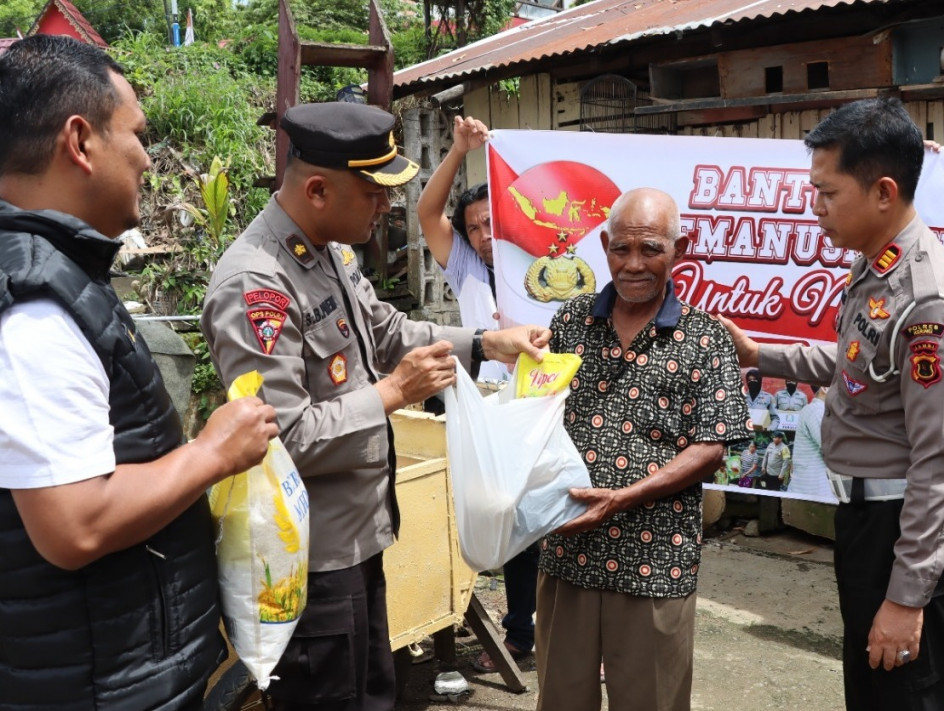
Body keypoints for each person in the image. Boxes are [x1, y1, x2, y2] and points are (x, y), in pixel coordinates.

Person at [201, 101, 550, 711]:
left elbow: (387, 331)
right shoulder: (257, 285)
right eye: (372, 193)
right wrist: (392, 393)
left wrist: (487, 342)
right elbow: (280, 437)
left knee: (374, 695)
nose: (385, 206)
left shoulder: (330, 251)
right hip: (312, 563)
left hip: (361, 540)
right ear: (317, 190)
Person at [0, 35, 279, 710]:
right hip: (100, 685)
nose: (149, 159)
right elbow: (76, 523)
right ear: (79, 141)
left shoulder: (58, 273)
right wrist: (213, 452)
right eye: (137, 134)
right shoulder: (35, 305)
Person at [720, 98, 944, 710]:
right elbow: (858, 364)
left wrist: (907, 597)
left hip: (907, 523)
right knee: (870, 692)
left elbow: (936, 461)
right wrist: (758, 354)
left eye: (827, 192)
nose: (815, 206)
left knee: (906, 694)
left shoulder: (928, 301)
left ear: (883, 192)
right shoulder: (878, 267)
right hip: (871, 518)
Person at [534, 188, 751, 711]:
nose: (634, 264)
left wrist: (623, 498)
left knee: (651, 701)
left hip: (655, 561)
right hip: (568, 552)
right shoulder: (570, 321)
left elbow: (712, 447)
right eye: (621, 249)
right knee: (561, 698)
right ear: (604, 246)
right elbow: (538, 416)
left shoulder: (705, 337)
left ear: (680, 249)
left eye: (651, 249)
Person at [416, 114, 536, 672]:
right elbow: (426, 214)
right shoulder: (465, 266)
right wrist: (459, 151)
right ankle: (518, 635)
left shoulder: (545, 263)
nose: (485, 234)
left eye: (492, 222)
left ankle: (573, 635)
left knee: (558, 520)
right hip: (489, 414)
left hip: (545, 407)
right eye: (475, 227)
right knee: (509, 522)